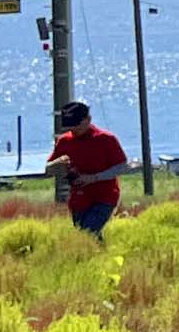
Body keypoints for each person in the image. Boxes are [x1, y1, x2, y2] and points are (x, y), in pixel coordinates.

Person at [45, 100, 129, 236]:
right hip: (78, 200)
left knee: (87, 232)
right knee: (87, 236)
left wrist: (94, 178)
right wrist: (57, 164)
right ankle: (101, 256)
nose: (73, 130)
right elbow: (48, 168)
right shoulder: (64, 141)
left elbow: (121, 167)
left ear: (88, 120)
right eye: (70, 126)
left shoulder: (106, 139)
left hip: (104, 197)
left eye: (77, 125)